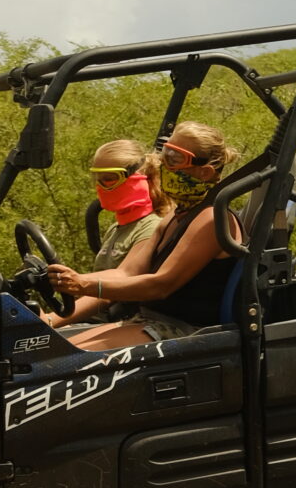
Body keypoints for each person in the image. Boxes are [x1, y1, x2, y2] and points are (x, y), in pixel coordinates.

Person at [47, 121, 242, 350]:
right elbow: (126, 272)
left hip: (188, 333)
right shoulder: (175, 216)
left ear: (204, 171)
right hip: (150, 322)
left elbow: (161, 285)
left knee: (64, 361)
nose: (162, 163)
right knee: (48, 351)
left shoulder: (212, 218)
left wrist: (85, 285)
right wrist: (69, 286)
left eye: (175, 157)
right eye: (165, 151)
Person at [47, 139, 164, 333]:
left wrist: (52, 319)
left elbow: (111, 291)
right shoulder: (118, 227)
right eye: (97, 179)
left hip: (122, 323)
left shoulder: (152, 228)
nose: (101, 186)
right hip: (97, 320)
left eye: (109, 178)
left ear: (140, 176)